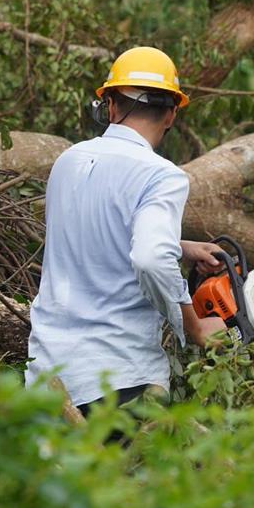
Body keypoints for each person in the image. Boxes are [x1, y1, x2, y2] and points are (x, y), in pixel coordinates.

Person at [25, 45, 226, 422]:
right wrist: (194, 327)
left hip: (47, 378)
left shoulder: (68, 161)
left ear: (111, 106)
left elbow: (88, 231)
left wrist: (179, 247)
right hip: (118, 380)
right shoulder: (161, 176)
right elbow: (150, 259)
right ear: (171, 114)